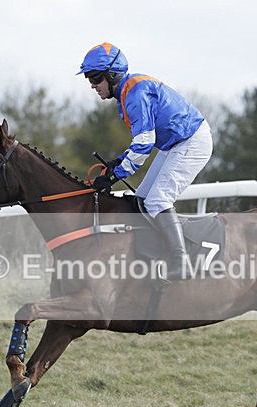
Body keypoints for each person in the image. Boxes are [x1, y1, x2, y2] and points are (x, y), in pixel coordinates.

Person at [77, 42, 213, 280]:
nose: (92, 85)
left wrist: (114, 176)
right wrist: (116, 163)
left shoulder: (135, 93)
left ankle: (181, 262)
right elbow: (142, 142)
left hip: (191, 141)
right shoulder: (127, 93)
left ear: (112, 75)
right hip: (174, 143)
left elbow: (144, 145)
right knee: (142, 200)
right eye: (89, 78)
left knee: (158, 201)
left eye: (96, 78)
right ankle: (154, 256)